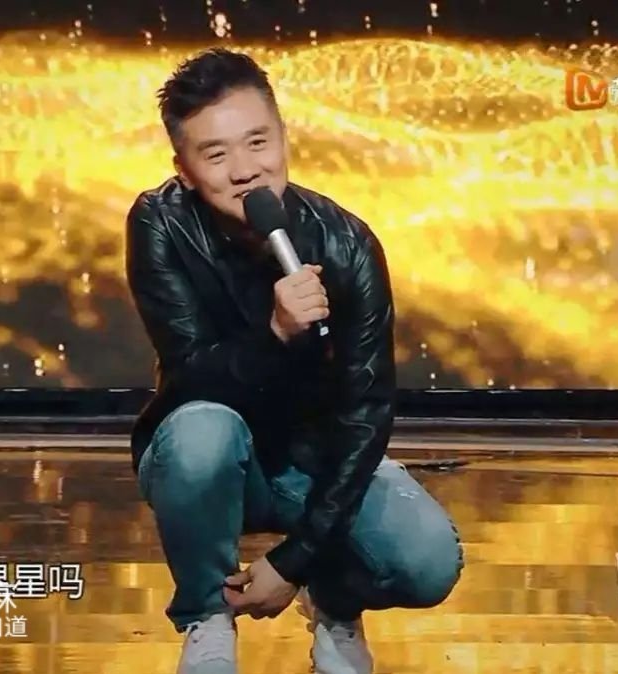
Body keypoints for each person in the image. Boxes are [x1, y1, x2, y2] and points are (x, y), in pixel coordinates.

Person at [124, 47, 464, 674]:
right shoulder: (161, 224)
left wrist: (296, 562)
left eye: (258, 143)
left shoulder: (347, 242)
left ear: (284, 138)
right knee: (201, 430)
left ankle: (334, 604)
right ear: (185, 169)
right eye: (216, 154)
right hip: (214, 456)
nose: (245, 170)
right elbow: (191, 377)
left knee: (429, 561)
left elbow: (366, 413)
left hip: (316, 458)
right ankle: (207, 618)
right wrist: (276, 332)